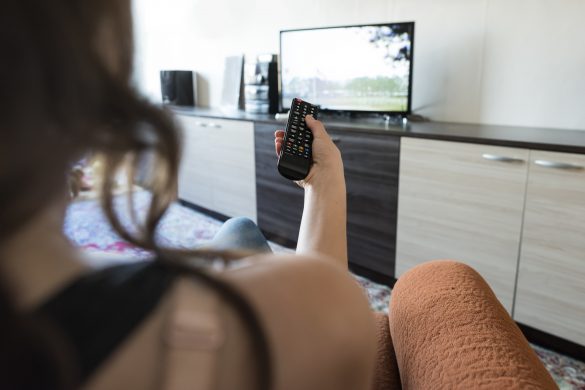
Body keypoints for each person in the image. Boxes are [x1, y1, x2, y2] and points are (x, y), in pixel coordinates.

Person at [0, 1, 376, 389]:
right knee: (240, 233)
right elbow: (320, 300)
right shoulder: (330, 307)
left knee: (239, 228)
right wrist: (326, 180)